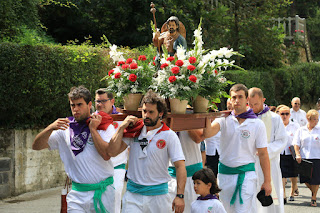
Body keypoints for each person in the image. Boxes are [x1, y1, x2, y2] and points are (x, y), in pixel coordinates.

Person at [32, 86, 116, 213]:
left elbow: (106, 154)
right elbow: (36, 146)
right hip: (77, 195)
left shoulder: (103, 125)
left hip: (103, 193)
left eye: (79, 105)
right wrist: (50, 128)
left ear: (89, 105)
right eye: (72, 105)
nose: (75, 109)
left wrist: (93, 129)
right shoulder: (65, 128)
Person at [107, 90, 187, 213]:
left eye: (151, 112)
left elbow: (180, 166)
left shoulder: (169, 135)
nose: (146, 115)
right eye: (144, 111)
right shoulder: (134, 130)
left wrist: (180, 195)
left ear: (160, 113)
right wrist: (121, 128)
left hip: (158, 197)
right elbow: (112, 152)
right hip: (133, 196)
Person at [203, 84, 272, 213]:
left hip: (246, 176)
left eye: (240, 97)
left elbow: (263, 154)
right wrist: (206, 112)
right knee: (226, 210)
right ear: (230, 99)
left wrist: (267, 181)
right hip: (225, 176)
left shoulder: (257, 124)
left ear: (247, 100)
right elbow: (207, 134)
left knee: (242, 210)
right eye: (233, 97)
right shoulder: (223, 119)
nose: (236, 100)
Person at [248, 87, 287, 213]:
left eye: (256, 104)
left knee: (271, 199)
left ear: (263, 100)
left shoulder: (274, 118)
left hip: (270, 164)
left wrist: (265, 150)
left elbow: (282, 140)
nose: (252, 107)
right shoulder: (245, 117)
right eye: (250, 104)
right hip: (250, 163)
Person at [95, 88, 129, 213]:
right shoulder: (92, 119)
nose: (99, 104)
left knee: (112, 206)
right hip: (96, 171)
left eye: (103, 101)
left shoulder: (122, 119)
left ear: (112, 101)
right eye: (97, 101)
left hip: (116, 170)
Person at [168, 130, 203, 213]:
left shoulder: (192, 117)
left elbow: (198, 138)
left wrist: (182, 121)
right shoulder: (161, 118)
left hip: (193, 178)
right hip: (170, 177)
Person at [293, 109, 320, 207]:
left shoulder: (319, 129)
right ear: (308, 119)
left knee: (315, 179)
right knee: (305, 179)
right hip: (304, 157)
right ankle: (314, 191)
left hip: (317, 157)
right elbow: (296, 144)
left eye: (317, 119)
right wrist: (298, 154)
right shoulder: (300, 130)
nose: (316, 121)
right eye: (315, 119)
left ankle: (313, 198)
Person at [278, 106, 300, 203]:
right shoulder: (277, 125)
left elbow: (298, 140)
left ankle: (292, 192)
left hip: (292, 153)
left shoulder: (295, 126)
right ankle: (283, 195)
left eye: (287, 114)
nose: (285, 116)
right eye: (282, 114)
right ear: (279, 114)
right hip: (280, 153)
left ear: (290, 115)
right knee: (282, 175)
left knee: (293, 175)